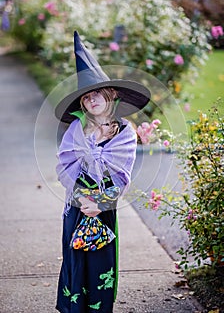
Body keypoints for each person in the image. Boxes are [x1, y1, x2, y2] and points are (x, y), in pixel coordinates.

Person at [54, 31, 150, 313]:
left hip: (104, 206)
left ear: (110, 95)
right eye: (86, 98)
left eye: (97, 94)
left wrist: (100, 203)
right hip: (77, 204)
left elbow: (122, 174)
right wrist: (82, 200)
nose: (92, 100)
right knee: (75, 258)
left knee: (99, 261)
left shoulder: (124, 133)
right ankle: (74, 308)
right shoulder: (76, 130)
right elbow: (65, 165)